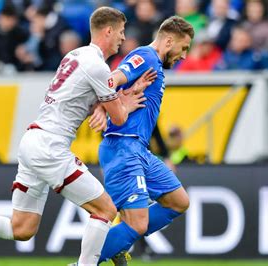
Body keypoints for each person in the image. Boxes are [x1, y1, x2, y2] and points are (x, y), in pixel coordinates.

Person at [0, 7, 155, 266]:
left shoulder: (75, 55)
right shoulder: (98, 67)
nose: (122, 37)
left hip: (33, 140)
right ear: (108, 31)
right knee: (105, 209)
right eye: (120, 31)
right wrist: (124, 102)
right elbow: (118, 117)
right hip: (51, 145)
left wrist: (101, 106)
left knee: (22, 228)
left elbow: (77, 98)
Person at [94, 16, 194, 265]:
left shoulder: (155, 66)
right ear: (169, 40)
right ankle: (86, 262)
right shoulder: (146, 56)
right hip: (123, 146)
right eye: (183, 48)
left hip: (139, 149)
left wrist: (120, 96)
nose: (183, 56)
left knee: (178, 201)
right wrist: (103, 106)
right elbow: (113, 78)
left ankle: (119, 241)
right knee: (137, 223)